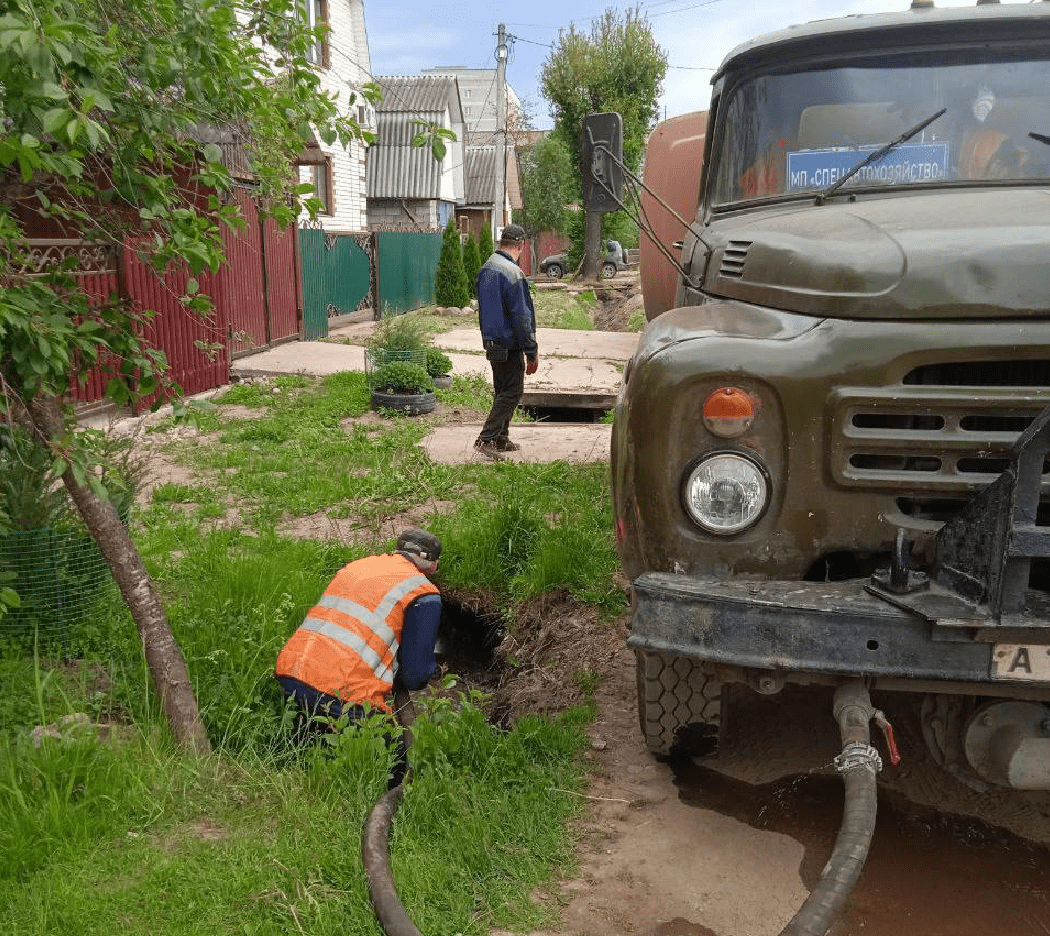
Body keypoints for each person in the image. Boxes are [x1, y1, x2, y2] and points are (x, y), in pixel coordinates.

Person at [274, 528, 443, 786]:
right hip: (339, 691)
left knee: (309, 747)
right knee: (396, 758)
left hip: (292, 673)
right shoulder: (424, 594)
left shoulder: (357, 566)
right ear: (432, 564)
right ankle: (393, 800)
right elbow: (414, 676)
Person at [474, 223, 538, 458]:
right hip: (510, 342)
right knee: (512, 391)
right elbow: (521, 316)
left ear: (502, 242)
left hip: (491, 340)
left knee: (502, 390)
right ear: (520, 245)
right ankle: (487, 438)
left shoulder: (487, 267)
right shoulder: (512, 273)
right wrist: (531, 349)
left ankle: (501, 438)